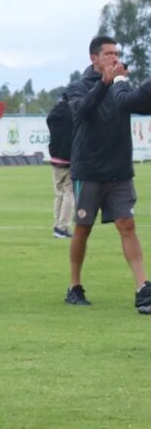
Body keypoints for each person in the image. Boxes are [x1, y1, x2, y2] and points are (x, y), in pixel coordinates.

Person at [64, 36, 151, 312]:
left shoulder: (122, 84)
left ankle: (142, 289)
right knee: (83, 228)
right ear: (94, 59)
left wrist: (119, 82)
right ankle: (74, 286)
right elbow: (82, 112)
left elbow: (135, 103)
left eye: (116, 53)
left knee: (127, 225)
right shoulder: (78, 87)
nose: (114, 58)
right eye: (108, 54)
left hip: (119, 169)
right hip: (88, 170)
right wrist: (104, 84)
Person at [46, 95, 75, 238]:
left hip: (55, 157)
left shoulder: (53, 113)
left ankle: (57, 224)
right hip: (69, 159)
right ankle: (63, 227)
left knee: (59, 193)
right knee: (69, 193)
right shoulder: (73, 113)